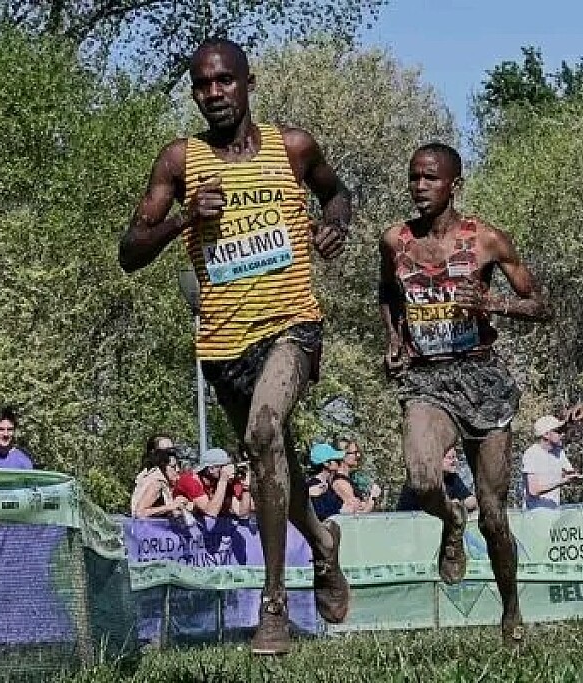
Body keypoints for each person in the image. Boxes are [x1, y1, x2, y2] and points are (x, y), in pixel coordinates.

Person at [117, 38, 352, 654]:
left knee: (264, 432)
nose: (214, 93)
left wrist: (335, 224)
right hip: (224, 344)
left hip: (292, 324)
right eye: (202, 84)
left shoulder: (292, 146)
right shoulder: (179, 161)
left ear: (249, 83)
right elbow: (129, 252)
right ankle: (323, 544)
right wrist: (184, 219)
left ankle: (273, 606)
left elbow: (337, 192)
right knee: (274, 462)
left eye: (224, 80)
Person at [378, 142, 551, 644]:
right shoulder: (395, 240)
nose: (420, 187)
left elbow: (542, 305)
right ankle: (452, 520)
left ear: (454, 184)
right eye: (414, 177)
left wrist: (494, 303)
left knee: (494, 516)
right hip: (426, 379)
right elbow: (387, 294)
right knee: (422, 476)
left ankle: (511, 610)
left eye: (430, 178)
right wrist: (394, 339)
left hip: (480, 378)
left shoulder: (486, 240)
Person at [521, 415, 583, 509]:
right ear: (546, 434)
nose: (563, 434)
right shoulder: (531, 454)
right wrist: (562, 482)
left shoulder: (559, 452)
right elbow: (533, 490)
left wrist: (576, 477)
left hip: (555, 512)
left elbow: (570, 472)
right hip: (535, 514)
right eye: (558, 431)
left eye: (563, 431)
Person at [172, 447, 254, 518]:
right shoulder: (189, 481)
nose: (230, 469)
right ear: (211, 469)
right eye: (225, 466)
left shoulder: (222, 482)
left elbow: (241, 512)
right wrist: (223, 480)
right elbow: (211, 513)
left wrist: (246, 488)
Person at [398, 445, 478, 513]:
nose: (455, 461)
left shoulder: (452, 478)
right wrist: (448, 505)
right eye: (450, 458)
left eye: (455, 457)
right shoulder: (421, 481)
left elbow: (472, 500)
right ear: (436, 460)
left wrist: (459, 504)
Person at [306, 443, 371, 520]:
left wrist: (353, 505)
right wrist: (341, 512)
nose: (340, 461)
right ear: (326, 464)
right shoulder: (313, 485)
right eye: (336, 460)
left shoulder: (328, 485)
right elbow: (319, 516)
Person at [130, 445, 187, 518]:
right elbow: (140, 513)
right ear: (163, 466)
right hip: (143, 525)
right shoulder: (156, 483)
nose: (178, 469)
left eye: (179, 465)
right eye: (173, 467)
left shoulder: (161, 481)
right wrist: (170, 506)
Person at [337, 438, 382, 506]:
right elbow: (357, 511)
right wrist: (373, 497)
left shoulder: (349, 478)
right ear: (343, 455)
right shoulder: (341, 482)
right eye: (354, 453)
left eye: (358, 452)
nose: (358, 455)